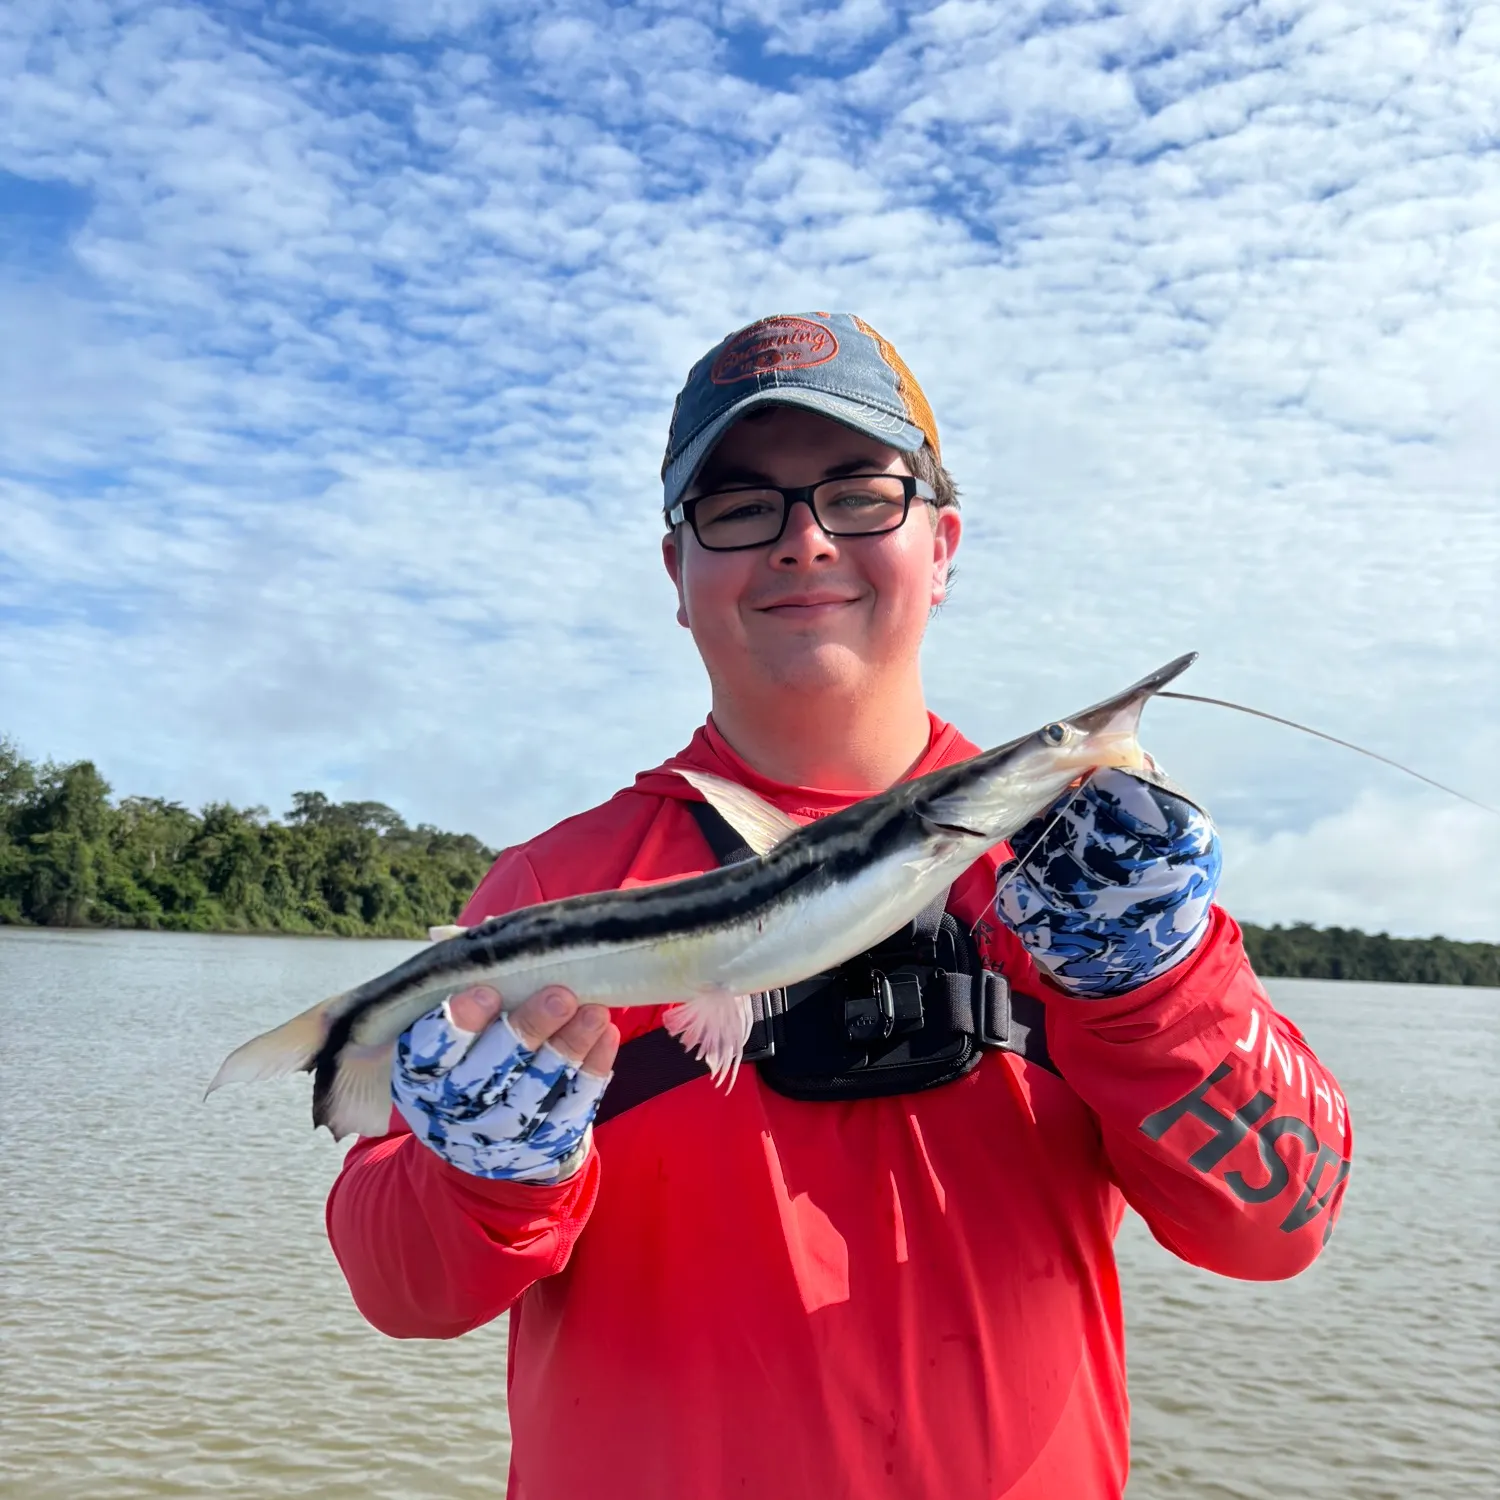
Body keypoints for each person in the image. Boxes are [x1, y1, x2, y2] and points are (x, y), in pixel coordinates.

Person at [327, 313, 1354, 1499]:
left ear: (943, 543)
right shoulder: (555, 889)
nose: (805, 541)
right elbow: (400, 1293)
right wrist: (486, 1174)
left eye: (863, 494)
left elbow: (1277, 1227)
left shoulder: (1089, 881)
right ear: (679, 570)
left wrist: (1157, 986)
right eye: (740, 507)